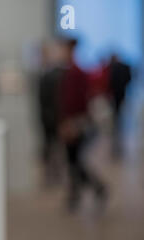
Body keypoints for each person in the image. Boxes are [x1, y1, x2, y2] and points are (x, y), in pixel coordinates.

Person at [58, 39, 107, 211]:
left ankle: (95, 188)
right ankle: (78, 193)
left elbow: (75, 101)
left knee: (75, 160)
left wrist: (69, 123)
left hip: (75, 122)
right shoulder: (72, 71)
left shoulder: (75, 72)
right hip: (74, 120)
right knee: (73, 160)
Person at [37, 42, 64, 185]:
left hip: (53, 118)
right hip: (47, 118)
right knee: (50, 146)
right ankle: (52, 173)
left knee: (56, 147)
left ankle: (56, 173)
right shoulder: (45, 74)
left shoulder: (55, 74)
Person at [108, 54, 132, 158]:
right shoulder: (113, 67)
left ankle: (116, 128)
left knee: (117, 115)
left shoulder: (118, 67)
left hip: (117, 95)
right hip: (117, 94)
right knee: (116, 115)